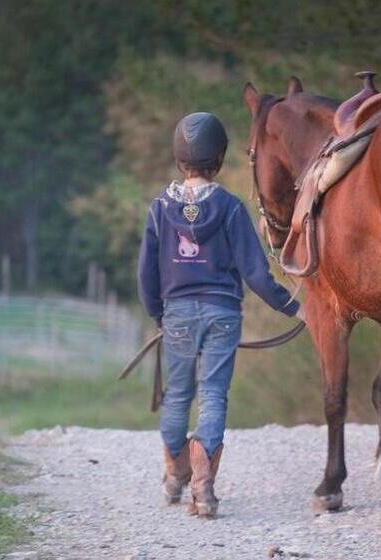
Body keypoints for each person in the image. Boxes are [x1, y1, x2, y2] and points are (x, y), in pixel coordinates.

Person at [137, 112, 304, 518]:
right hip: (223, 313)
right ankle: (203, 488)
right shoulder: (230, 208)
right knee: (212, 395)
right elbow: (255, 275)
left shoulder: (160, 208)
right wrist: (296, 308)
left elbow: (146, 272)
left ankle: (175, 474)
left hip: (176, 314)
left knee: (177, 396)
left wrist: (158, 313)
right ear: (220, 156)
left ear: (180, 157)